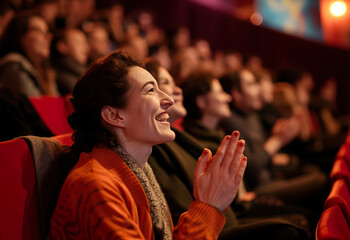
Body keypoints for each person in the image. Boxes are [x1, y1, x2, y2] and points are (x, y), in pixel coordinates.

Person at [48, 50, 248, 239]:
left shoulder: (137, 171)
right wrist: (207, 208)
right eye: (151, 90)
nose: (168, 99)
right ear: (114, 115)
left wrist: (208, 204)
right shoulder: (95, 185)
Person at [145, 59, 310, 239]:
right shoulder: (164, 146)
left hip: (226, 213)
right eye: (165, 84)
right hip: (214, 222)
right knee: (295, 225)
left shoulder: (201, 135)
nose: (227, 97)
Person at [218, 69, 328, 208]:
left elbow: (266, 159)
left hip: (271, 178)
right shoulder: (230, 122)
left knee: (311, 170)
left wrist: (278, 140)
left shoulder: (252, 116)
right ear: (236, 93)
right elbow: (251, 170)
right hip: (257, 189)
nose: (258, 90)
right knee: (320, 180)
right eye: (251, 84)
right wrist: (277, 140)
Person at [0, 12, 59, 96]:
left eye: (47, 32)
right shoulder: (14, 66)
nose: (48, 37)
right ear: (20, 35)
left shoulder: (46, 71)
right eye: (39, 31)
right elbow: (35, 107)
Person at [52, 27, 89, 94]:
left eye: (85, 43)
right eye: (79, 42)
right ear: (62, 46)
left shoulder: (82, 73)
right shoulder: (62, 76)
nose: (86, 48)